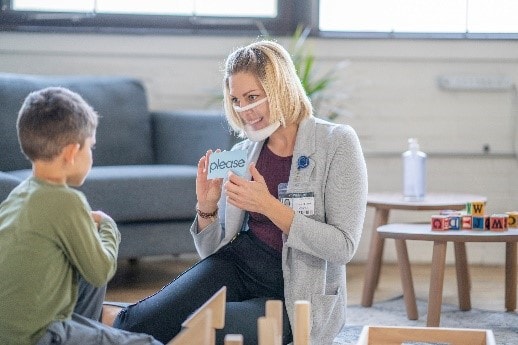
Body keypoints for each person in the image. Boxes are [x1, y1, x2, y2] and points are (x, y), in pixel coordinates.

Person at [108, 40, 368, 344]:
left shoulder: (337, 142)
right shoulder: (242, 152)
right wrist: (206, 208)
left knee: (202, 331)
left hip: (295, 293)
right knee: (138, 323)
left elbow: (343, 246)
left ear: (282, 88)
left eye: (252, 97)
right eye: (235, 100)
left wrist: (268, 205)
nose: (244, 110)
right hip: (237, 264)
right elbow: (213, 252)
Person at [0, 87, 163, 345]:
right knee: (145, 343)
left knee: (87, 248)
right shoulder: (66, 200)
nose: (91, 155)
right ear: (71, 153)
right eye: (91, 147)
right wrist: (108, 225)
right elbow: (100, 271)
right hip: (36, 336)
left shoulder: (19, 194)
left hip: (11, 330)